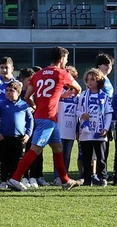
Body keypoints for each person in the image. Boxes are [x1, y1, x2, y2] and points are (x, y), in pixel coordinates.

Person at [6, 47, 80, 191]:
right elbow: (78, 88)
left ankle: (65, 181)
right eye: (66, 59)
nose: (66, 61)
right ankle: (15, 178)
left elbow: (27, 97)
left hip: (42, 116)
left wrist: (36, 106)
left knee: (58, 148)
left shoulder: (38, 74)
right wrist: (70, 93)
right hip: (48, 117)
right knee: (35, 149)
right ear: (62, 59)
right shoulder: (62, 73)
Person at [75, 69, 113, 186]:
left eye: (93, 79)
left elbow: (108, 113)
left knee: (101, 157)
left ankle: (102, 177)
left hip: (100, 131)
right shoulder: (83, 96)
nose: (90, 82)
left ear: (98, 81)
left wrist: (106, 128)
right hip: (86, 132)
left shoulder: (104, 96)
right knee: (86, 158)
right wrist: (82, 115)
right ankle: (87, 179)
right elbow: (77, 110)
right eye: (88, 80)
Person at [0, 80, 29, 188]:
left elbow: (30, 120)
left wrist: (28, 134)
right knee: (4, 159)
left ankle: (16, 179)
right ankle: (3, 180)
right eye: (6, 90)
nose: (8, 92)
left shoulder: (23, 105)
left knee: (17, 160)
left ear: (18, 92)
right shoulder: (1, 104)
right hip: (5, 137)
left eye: (11, 90)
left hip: (19, 137)